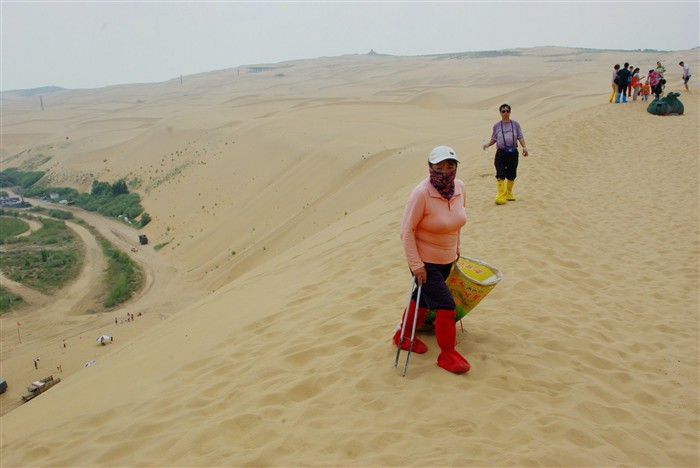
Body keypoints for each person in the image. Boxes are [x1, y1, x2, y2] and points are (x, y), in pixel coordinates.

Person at [394, 145, 470, 374]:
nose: (445, 171)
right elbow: (406, 231)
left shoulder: (460, 188)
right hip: (425, 262)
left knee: (423, 300)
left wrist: (456, 247)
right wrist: (416, 265)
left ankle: (403, 336)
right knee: (446, 306)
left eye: (450, 165)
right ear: (430, 167)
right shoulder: (421, 194)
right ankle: (447, 354)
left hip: (447, 259)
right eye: (439, 166)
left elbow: (458, 220)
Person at [483, 104, 529, 204]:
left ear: (510, 112)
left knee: (512, 174)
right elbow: (494, 138)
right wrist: (487, 145)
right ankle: (500, 195)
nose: (505, 113)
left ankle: (509, 193)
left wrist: (524, 148)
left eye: (507, 111)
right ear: (500, 113)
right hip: (501, 152)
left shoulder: (515, 124)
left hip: (513, 152)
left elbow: (520, 136)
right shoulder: (497, 126)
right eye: (503, 111)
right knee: (500, 173)